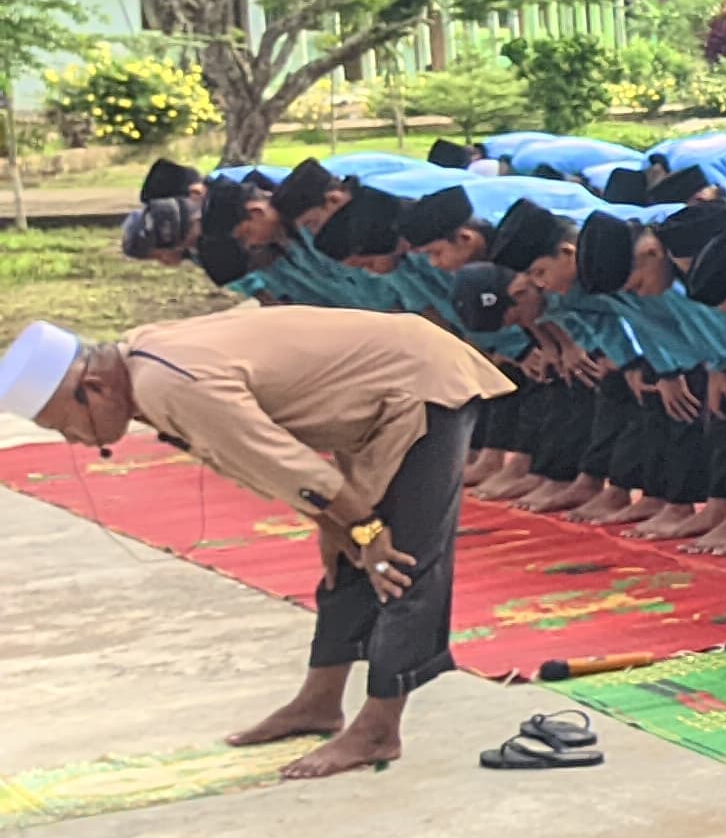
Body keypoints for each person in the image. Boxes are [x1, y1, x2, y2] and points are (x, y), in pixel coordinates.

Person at [5, 309, 513, 780]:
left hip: (418, 385)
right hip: (371, 408)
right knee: (344, 557)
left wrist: (366, 529)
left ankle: (380, 729)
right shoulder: (140, 362)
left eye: (65, 426)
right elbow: (263, 463)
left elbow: (280, 460)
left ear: (92, 386)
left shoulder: (167, 384)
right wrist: (340, 524)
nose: (76, 442)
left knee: (398, 560)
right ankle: (319, 702)